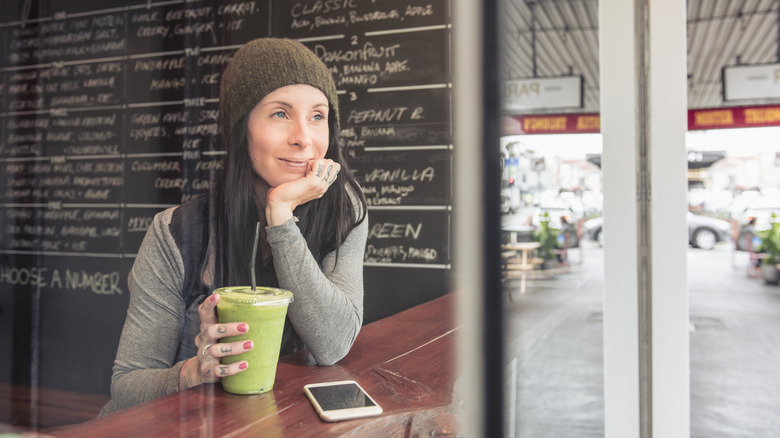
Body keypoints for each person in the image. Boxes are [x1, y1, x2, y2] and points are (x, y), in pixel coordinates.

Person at [99, 38, 368, 415]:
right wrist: (192, 372)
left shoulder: (343, 209)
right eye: (280, 114)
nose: (303, 138)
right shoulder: (176, 233)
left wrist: (281, 216)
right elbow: (126, 387)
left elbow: (333, 343)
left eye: (318, 116)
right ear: (240, 129)